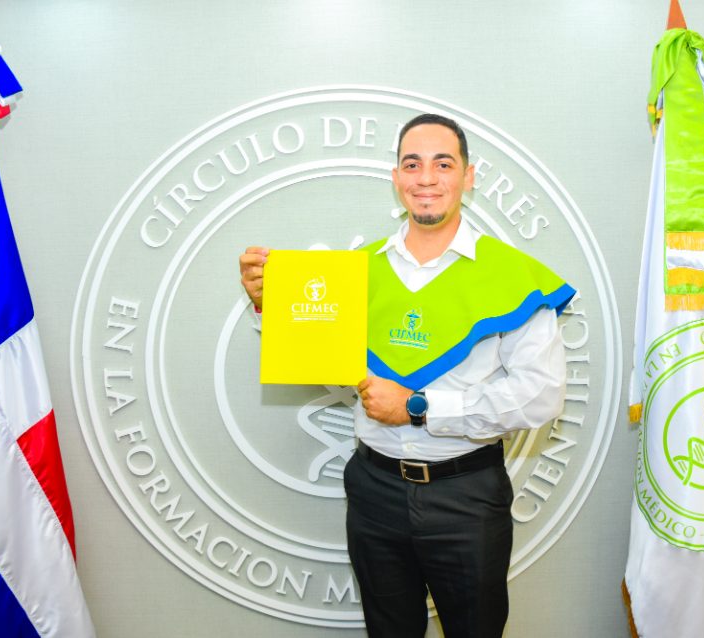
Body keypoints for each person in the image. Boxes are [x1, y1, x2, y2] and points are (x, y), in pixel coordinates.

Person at [239, 114, 574, 638]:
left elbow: (540, 396)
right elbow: (326, 368)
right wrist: (271, 305)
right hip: (374, 490)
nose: (426, 178)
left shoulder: (514, 276)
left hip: (467, 496)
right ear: (396, 178)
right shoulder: (356, 270)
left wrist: (419, 408)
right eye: (412, 165)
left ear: (468, 176)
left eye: (444, 164)